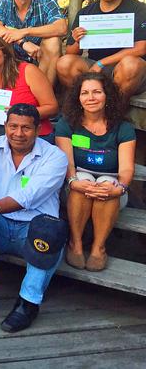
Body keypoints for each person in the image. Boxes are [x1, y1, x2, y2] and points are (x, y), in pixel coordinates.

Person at [0, 103, 68, 333]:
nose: (18, 133)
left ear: (38, 130)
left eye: (26, 128)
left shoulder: (55, 157)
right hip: (0, 227)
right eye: (13, 126)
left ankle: (28, 303)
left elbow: (29, 195)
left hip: (33, 232)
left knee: (50, 231)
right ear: (5, 126)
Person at [55, 72, 135, 272]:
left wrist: (120, 188)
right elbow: (67, 163)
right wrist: (73, 181)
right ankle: (75, 243)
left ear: (107, 95)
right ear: (78, 98)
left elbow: (126, 168)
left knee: (107, 184)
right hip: (75, 182)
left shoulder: (123, 127)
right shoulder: (67, 124)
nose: (90, 98)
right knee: (83, 180)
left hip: (114, 185)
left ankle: (99, 248)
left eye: (97, 92)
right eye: (85, 93)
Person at [58, 0, 146, 102]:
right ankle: (83, 107)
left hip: (128, 70)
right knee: (64, 63)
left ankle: (114, 112)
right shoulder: (86, 13)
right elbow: (70, 53)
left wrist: (101, 63)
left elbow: (141, 48)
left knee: (131, 64)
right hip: (94, 66)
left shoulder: (139, 9)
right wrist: (78, 41)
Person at [0, 34, 58, 150]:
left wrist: (21, 114)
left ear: (4, 52)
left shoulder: (28, 71)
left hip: (33, 136)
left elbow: (52, 108)